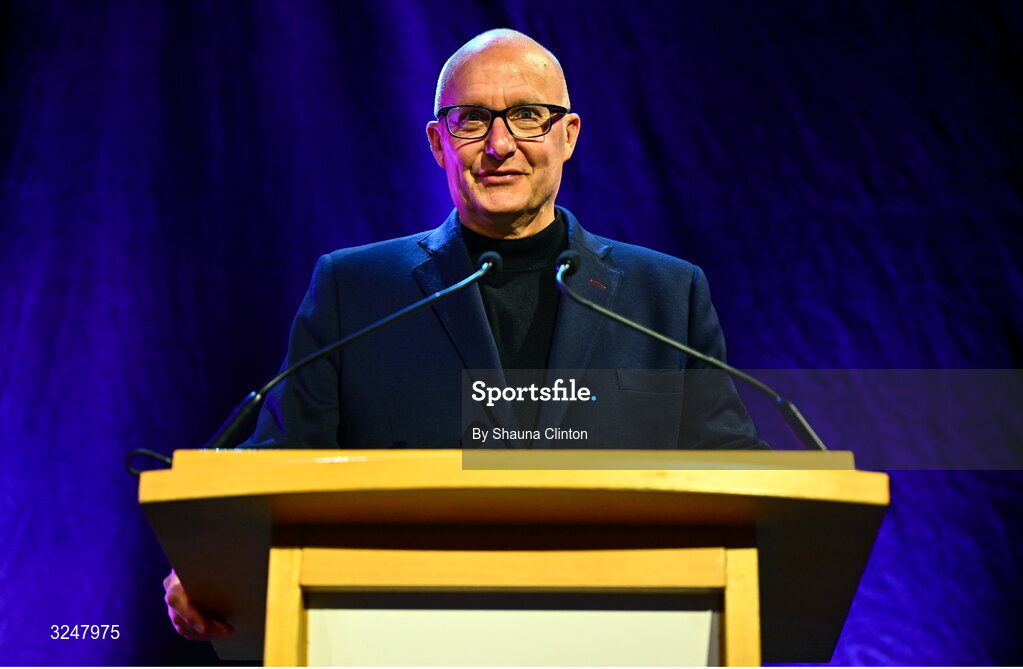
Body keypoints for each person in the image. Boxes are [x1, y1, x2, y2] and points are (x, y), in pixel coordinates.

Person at [164, 28, 766, 641]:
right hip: (402, 634)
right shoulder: (357, 289)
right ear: (437, 142)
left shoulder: (664, 295)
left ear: (568, 135)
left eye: (528, 116)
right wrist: (217, 552)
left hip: (618, 634)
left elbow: (734, 475)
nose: (500, 144)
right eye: (471, 120)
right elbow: (285, 462)